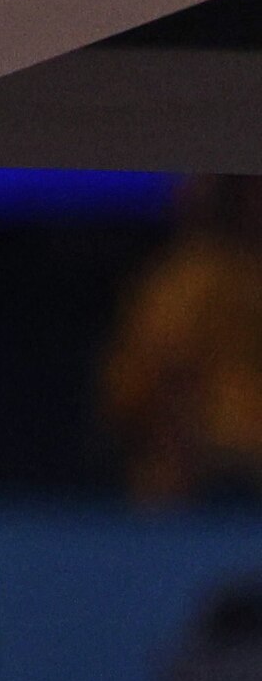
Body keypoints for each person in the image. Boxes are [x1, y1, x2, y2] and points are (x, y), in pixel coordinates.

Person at [104, 173, 262, 504]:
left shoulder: (247, 275)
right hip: (209, 482)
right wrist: (180, 471)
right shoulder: (191, 279)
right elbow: (165, 383)